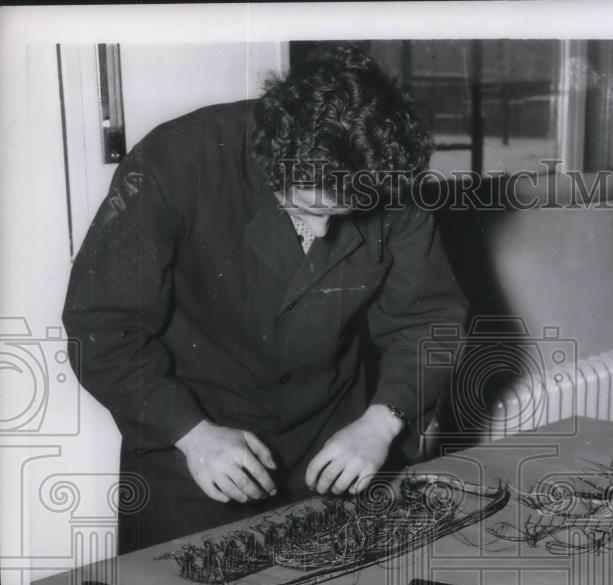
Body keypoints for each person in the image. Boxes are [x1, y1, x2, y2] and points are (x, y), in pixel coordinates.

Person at [63, 44, 468, 553]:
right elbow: (102, 327)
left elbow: (430, 320)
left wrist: (381, 423)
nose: (322, 231)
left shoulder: (387, 175)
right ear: (274, 158)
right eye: (307, 207)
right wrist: (190, 433)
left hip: (334, 445)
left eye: (342, 213)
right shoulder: (174, 161)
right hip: (194, 449)